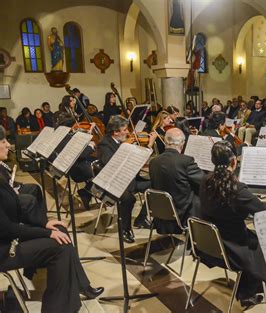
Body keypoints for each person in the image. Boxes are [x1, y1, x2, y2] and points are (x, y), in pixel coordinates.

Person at [0, 125, 103, 313]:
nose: (8, 145)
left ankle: (76, 289)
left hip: (7, 239)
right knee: (60, 248)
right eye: (3, 141)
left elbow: (13, 208)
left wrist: (45, 223)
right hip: (4, 249)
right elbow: (7, 229)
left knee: (61, 232)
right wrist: (46, 232)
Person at [200, 140, 266, 308]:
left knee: (251, 237)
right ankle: (248, 293)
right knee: (262, 243)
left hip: (208, 245)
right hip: (232, 249)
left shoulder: (204, 180)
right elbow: (264, 211)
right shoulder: (237, 189)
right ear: (234, 162)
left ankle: (249, 287)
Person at [97, 115, 154, 242]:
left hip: (130, 179)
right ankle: (125, 229)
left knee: (155, 184)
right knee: (129, 199)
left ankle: (141, 218)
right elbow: (110, 163)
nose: (128, 132)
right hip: (114, 183)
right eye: (125, 130)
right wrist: (125, 147)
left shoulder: (122, 141)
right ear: (116, 132)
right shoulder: (104, 144)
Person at [149, 128, 204, 233]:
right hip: (181, 214)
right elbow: (203, 182)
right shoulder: (186, 161)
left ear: (165, 141)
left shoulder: (153, 162)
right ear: (182, 144)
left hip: (160, 214)